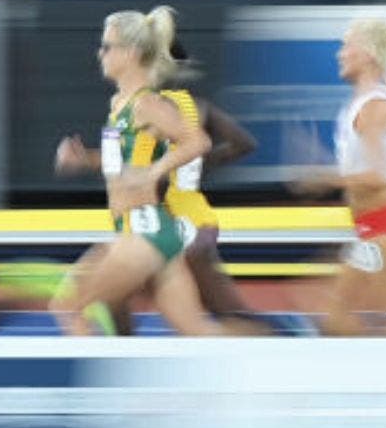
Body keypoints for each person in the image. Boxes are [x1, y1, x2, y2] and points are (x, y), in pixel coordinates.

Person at [75, 37, 266, 336]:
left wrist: (158, 172)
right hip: (195, 220)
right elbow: (244, 143)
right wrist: (203, 164)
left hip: (169, 220)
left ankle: (269, 343)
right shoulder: (199, 107)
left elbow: (138, 163)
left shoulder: (152, 106)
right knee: (193, 316)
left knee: (211, 313)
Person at [50, 7, 221, 336]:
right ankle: (268, 357)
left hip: (145, 231)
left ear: (130, 53)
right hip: (141, 230)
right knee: (197, 331)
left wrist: (154, 172)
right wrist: (85, 159)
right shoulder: (119, 104)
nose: (100, 54)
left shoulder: (147, 104)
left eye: (107, 46)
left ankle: (97, 376)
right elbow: (124, 162)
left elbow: (198, 141)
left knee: (70, 308)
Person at [293, 17, 386, 336]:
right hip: (373, 229)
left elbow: (378, 177)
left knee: (336, 320)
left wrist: (325, 178)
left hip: (384, 232)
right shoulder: (365, 102)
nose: (340, 53)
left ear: (369, 53)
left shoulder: (374, 106)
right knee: (351, 320)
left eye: (348, 45)